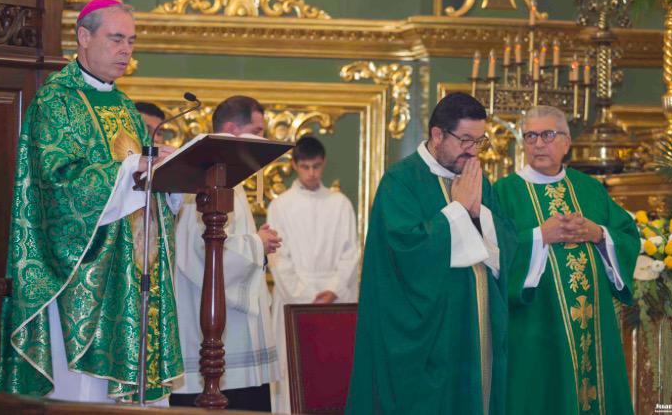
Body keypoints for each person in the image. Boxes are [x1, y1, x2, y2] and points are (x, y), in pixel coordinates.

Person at [0, 0, 184, 404]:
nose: (126, 51)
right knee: (82, 398)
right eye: (116, 39)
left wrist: (168, 176)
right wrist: (133, 170)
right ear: (83, 37)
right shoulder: (57, 101)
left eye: (131, 41)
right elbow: (58, 184)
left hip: (129, 271)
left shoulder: (125, 107)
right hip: (81, 276)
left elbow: (138, 181)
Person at [346, 93, 514, 415]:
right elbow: (407, 250)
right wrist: (458, 210)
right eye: (465, 140)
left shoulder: (477, 178)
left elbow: (505, 240)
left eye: (480, 141)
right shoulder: (401, 181)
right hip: (430, 333)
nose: (473, 151)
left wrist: (479, 215)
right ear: (438, 135)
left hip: (475, 328)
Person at [493, 105, 637, 415]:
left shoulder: (589, 188)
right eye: (530, 136)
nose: (538, 143)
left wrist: (598, 233)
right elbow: (491, 251)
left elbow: (627, 236)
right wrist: (538, 237)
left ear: (566, 142)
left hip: (593, 324)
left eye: (547, 134)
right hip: (534, 325)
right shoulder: (504, 192)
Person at [171, 95, 281, 411]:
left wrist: (256, 243)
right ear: (232, 130)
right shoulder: (200, 173)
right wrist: (258, 244)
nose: (262, 140)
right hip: (216, 336)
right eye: (257, 131)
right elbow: (202, 255)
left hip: (232, 334)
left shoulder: (226, 174)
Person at [267, 136, 360, 413]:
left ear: (324, 164)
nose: (311, 173)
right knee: (293, 371)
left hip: (336, 299)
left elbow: (350, 252)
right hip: (293, 298)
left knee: (332, 369)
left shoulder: (340, 203)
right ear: (294, 165)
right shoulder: (280, 205)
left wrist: (333, 289)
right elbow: (278, 258)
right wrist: (305, 297)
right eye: (305, 167)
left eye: (316, 167)